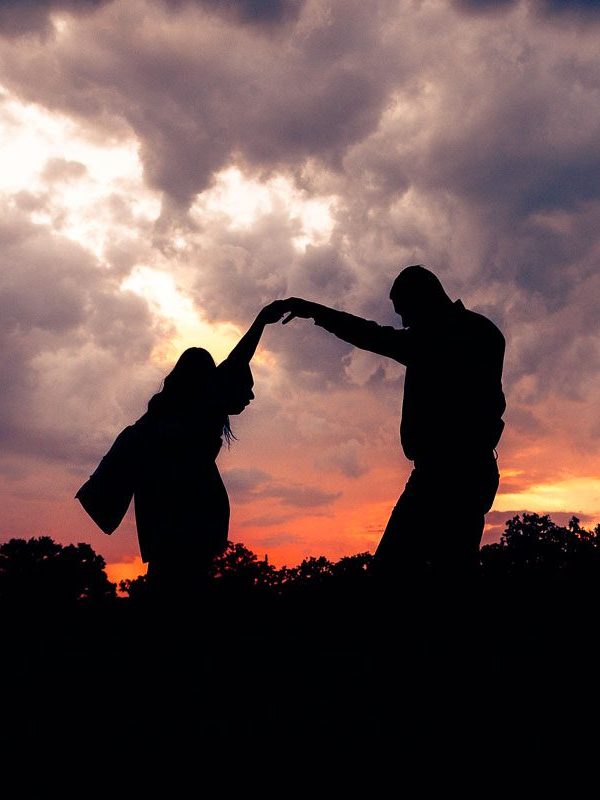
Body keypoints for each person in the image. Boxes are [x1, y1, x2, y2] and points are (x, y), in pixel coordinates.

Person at [280, 266, 506, 588]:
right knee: (454, 572)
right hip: (471, 471)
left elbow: (374, 335)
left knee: (393, 578)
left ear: (423, 299)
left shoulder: (442, 338)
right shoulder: (485, 331)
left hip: (443, 475)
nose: (404, 323)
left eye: (406, 312)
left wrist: (314, 311)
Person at [132, 300, 287, 607]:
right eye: (246, 386)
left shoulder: (170, 419)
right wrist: (260, 322)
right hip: (184, 531)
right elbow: (236, 361)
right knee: (179, 596)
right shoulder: (194, 413)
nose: (251, 395)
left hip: (176, 531)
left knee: (171, 591)